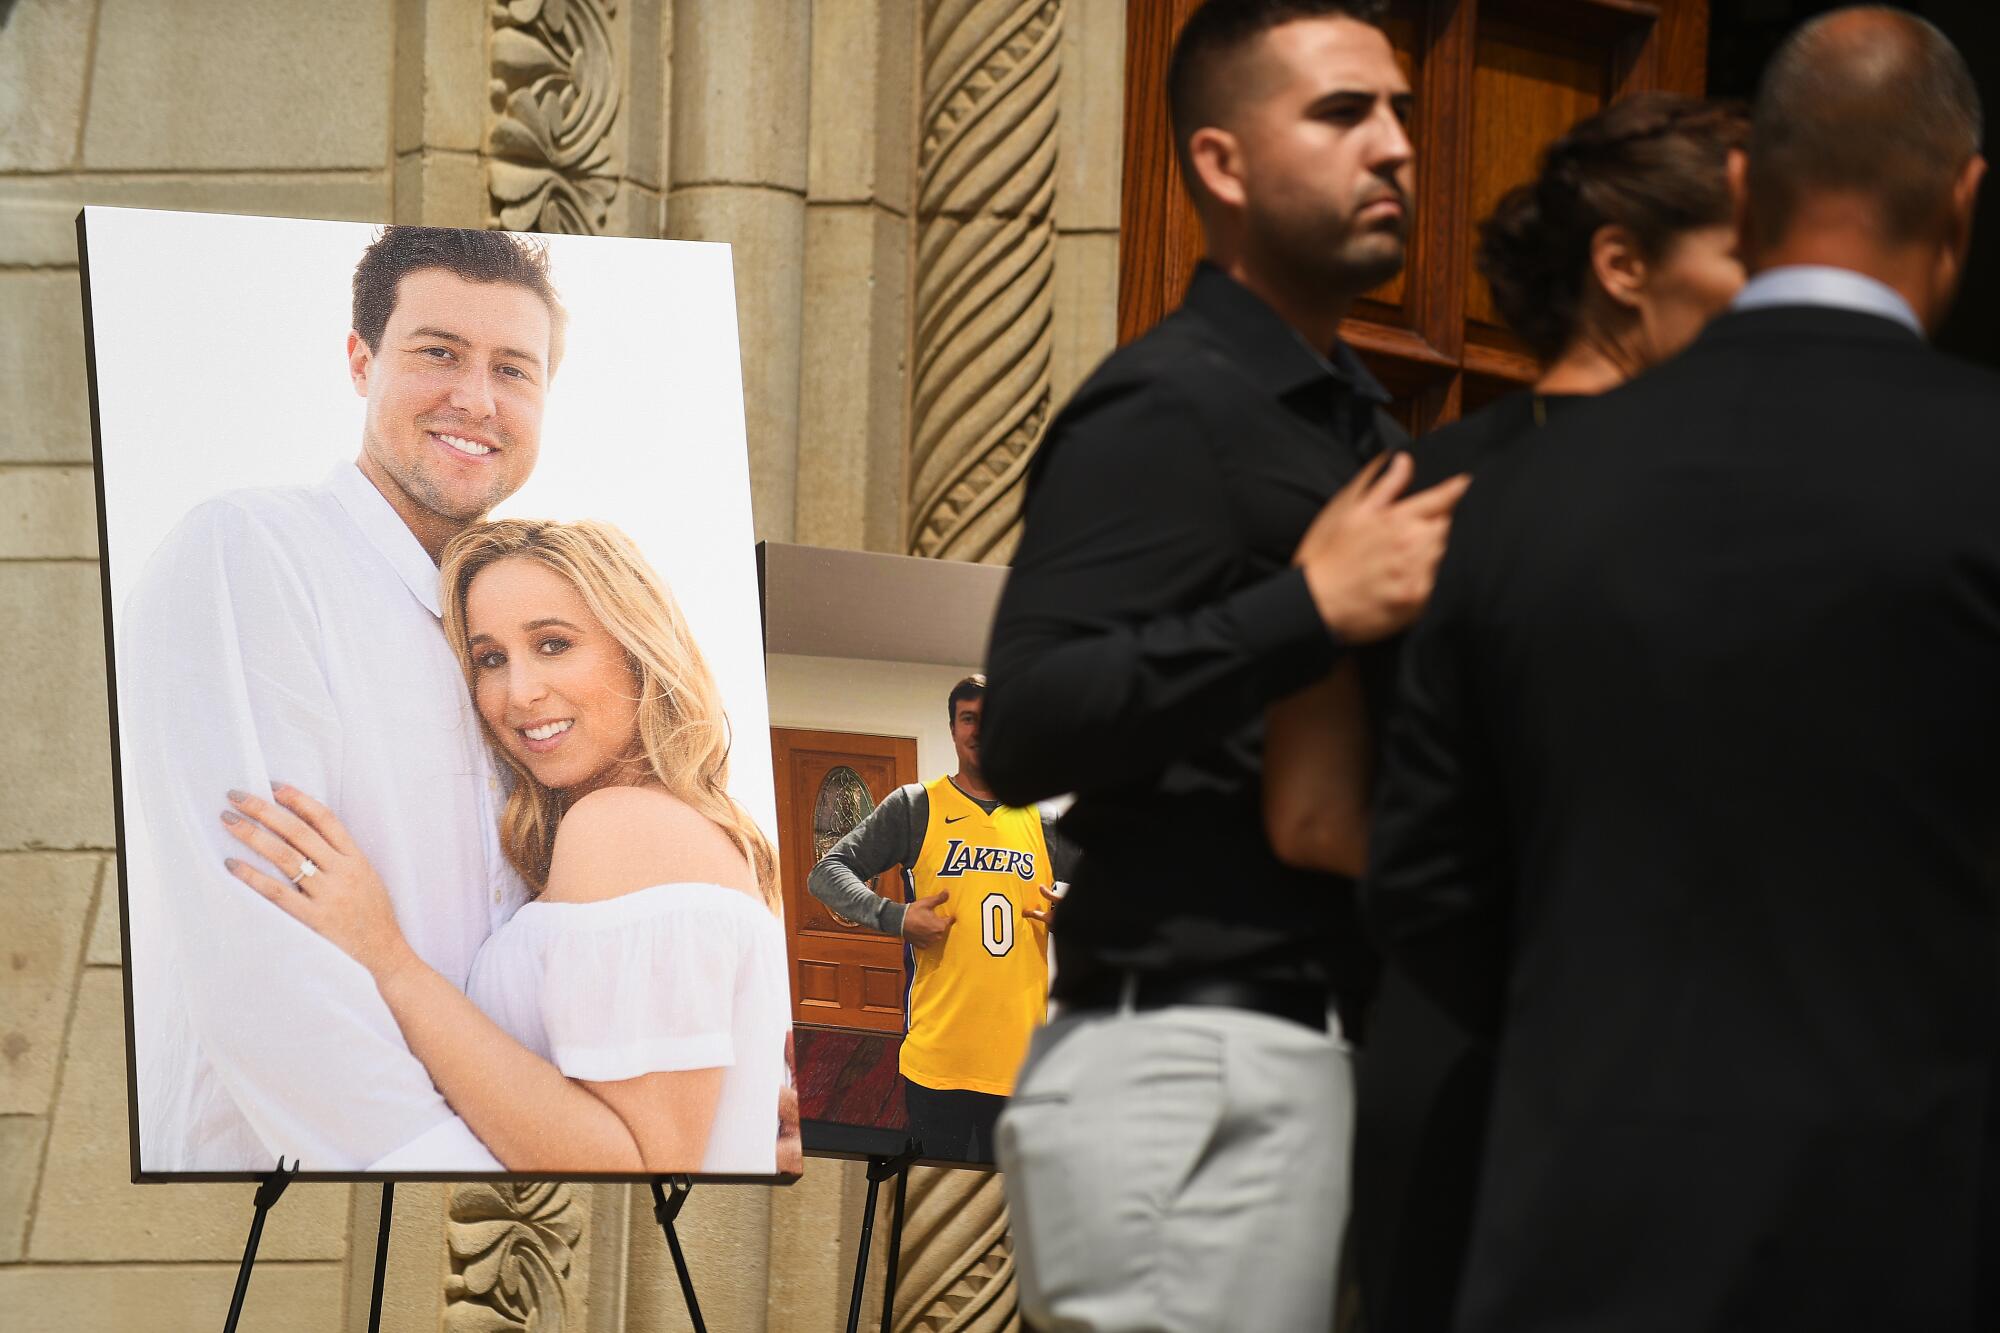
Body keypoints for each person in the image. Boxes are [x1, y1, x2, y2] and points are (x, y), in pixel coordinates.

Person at [1365, 9, 1999, 1329]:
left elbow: (1427, 877)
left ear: (1753, 191)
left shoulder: (1517, 496)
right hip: (1924, 1228)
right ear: (1966, 197)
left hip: (1588, 1230)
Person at [980, 2, 1469, 1327]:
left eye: (1402, 114)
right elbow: (1024, 725)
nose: (1395, 150)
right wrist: (1307, 607)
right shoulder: (1171, 403)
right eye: (1340, 113)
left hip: (1322, 1055)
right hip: (1188, 1059)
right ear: (1221, 163)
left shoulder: (1350, 413)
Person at [1261, 91, 1749, 1333]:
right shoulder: (1745, 504)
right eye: (1752, 255)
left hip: (1442, 1033)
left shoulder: (1404, 484)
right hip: (1650, 1057)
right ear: (1621, 267)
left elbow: (1315, 819)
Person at [121, 227, 562, 1171]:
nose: (476, 399)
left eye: (514, 370)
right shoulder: (251, 552)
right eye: (438, 352)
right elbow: (264, 952)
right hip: (281, 1192)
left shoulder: (519, 633)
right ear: (361, 362)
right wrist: (476, 1180)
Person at [220, 520, 794, 1174]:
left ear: (638, 651)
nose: (518, 693)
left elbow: (642, 1168)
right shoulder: (658, 826)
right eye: (491, 658)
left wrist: (387, 958)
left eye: (553, 644)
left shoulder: (624, 826)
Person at [807, 674, 1078, 1163]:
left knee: (1003, 1211)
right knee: (935, 1203)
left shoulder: (1046, 824)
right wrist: (895, 916)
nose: (981, 730)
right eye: (969, 718)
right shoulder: (916, 807)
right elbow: (827, 873)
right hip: (939, 1058)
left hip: (1019, 1062)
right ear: (953, 729)